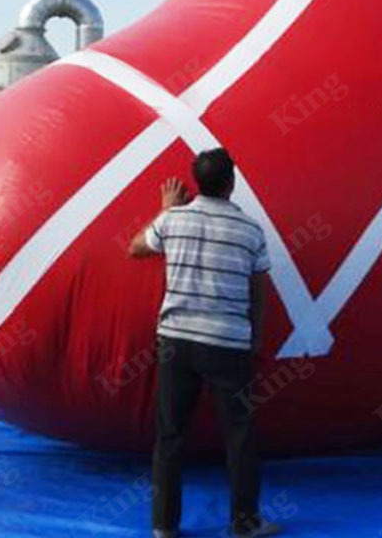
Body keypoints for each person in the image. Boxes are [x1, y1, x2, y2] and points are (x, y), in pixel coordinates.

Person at [130, 147, 280, 538]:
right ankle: (245, 523)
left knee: (170, 435)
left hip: (177, 341)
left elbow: (135, 247)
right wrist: (254, 337)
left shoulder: (173, 220)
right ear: (232, 182)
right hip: (229, 342)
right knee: (240, 436)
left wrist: (165, 209)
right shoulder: (250, 230)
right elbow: (258, 290)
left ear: (197, 182)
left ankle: (164, 526)